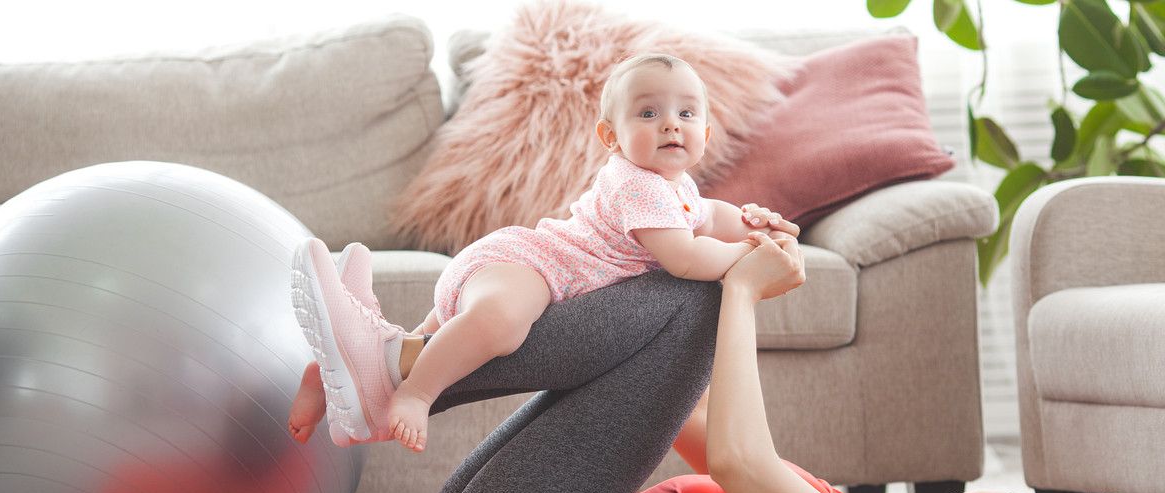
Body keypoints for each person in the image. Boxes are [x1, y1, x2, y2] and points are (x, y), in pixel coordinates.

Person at [294, 231, 1130, 493]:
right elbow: (684, 423)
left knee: (693, 301)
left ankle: (392, 367)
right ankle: (394, 368)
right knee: (673, 298)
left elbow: (736, 458)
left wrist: (737, 294)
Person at [288, 53, 796, 452]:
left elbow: (710, 216)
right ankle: (416, 394)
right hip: (530, 266)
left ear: (704, 134)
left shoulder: (674, 185)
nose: (670, 125)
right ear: (610, 136)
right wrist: (746, 259)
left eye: (686, 113)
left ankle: (339, 373)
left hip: (539, 272)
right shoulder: (636, 185)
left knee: (443, 341)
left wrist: (756, 225)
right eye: (648, 113)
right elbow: (685, 258)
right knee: (500, 327)